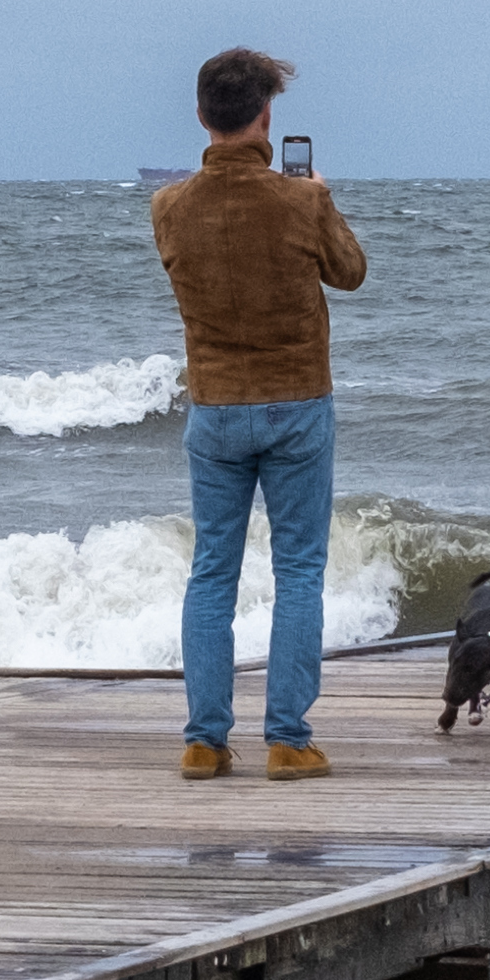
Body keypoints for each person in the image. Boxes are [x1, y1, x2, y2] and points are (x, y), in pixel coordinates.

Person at [148, 46, 366, 781]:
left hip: (214, 405)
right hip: (298, 401)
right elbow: (352, 273)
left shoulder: (168, 207)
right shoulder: (301, 199)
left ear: (203, 116)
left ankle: (205, 740)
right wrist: (319, 197)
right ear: (267, 115)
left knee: (212, 571)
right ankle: (287, 738)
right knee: (299, 569)